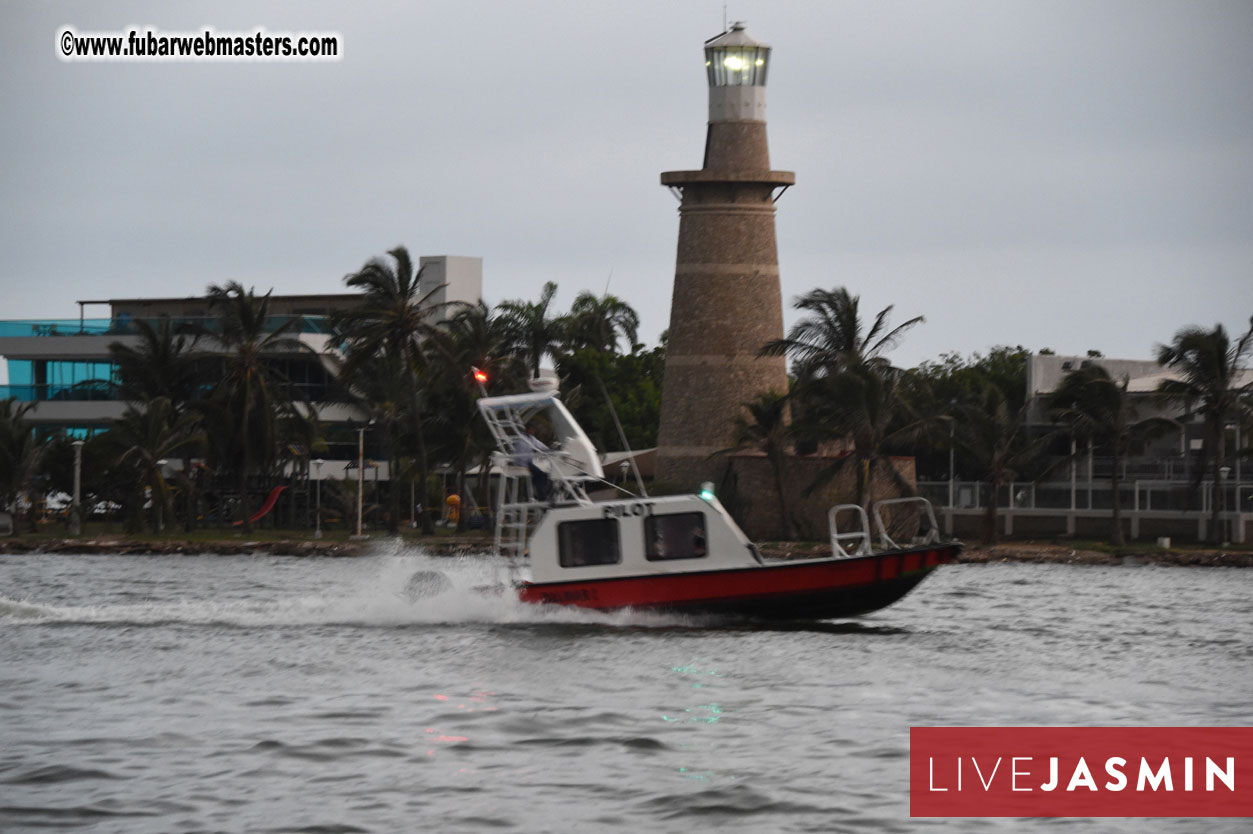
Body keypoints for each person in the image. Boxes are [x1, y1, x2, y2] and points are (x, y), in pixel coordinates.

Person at [512, 423, 551, 501]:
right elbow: (520, 454)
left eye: (534, 430)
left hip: (528, 462)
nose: (534, 432)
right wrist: (525, 466)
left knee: (543, 474)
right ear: (528, 429)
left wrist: (549, 450)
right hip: (522, 463)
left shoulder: (531, 438)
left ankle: (538, 493)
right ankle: (541, 497)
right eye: (532, 430)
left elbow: (539, 445)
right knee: (541, 475)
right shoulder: (521, 439)